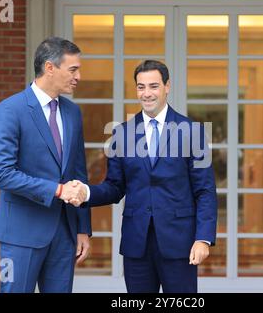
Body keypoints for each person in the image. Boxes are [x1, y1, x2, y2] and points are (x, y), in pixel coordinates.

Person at [80, 60, 217, 293]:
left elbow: (205, 190)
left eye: (153, 86)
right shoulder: (121, 133)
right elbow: (114, 186)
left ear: (167, 87)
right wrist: (86, 192)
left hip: (180, 242)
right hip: (137, 245)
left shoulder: (193, 131)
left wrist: (203, 239)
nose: (147, 93)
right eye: (141, 87)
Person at [0, 37, 91, 293]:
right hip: (20, 236)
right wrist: (57, 190)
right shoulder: (9, 110)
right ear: (49, 68)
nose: (78, 76)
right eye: (73, 70)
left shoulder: (72, 113)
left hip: (64, 234)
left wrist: (83, 229)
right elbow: (2, 174)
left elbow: (78, 173)